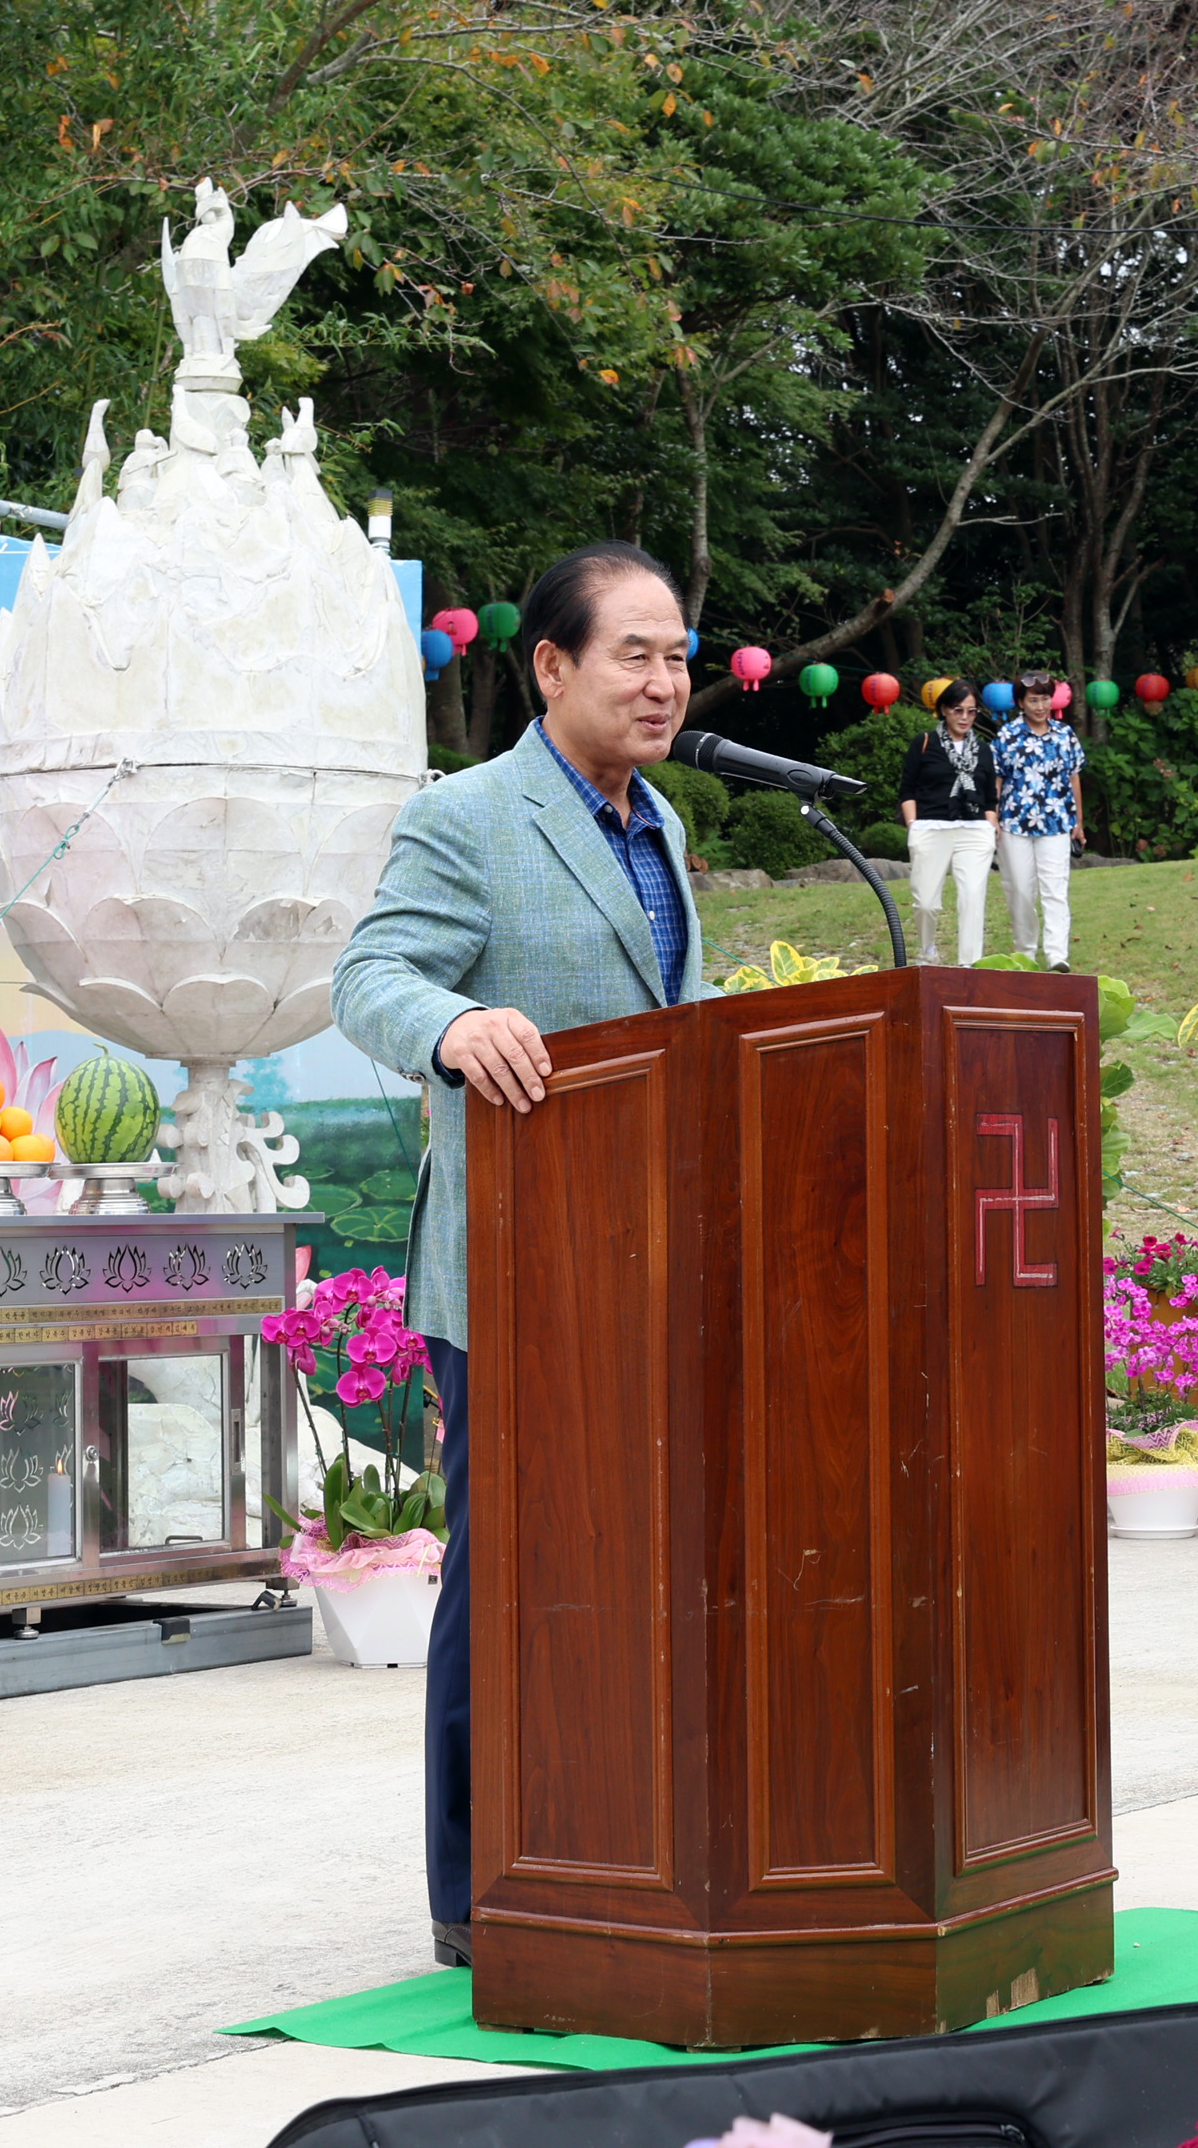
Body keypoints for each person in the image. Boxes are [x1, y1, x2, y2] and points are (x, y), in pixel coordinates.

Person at [330, 540, 706, 1971]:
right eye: (636, 652)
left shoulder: (657, 823)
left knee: (632, 1576)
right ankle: (472, 1897)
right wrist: (449, 1026)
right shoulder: (469, 818)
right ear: (551, 666)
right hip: (515, 1275)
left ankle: (610, 1846)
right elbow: (371, 974)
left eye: (677, 655)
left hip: (647, 1265)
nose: (665, 680)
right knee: (507, 1582)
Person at [992, 668, 1086, 968]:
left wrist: (1078, 822)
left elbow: (1074, 779)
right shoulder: (1007, 735)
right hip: (1014, 822)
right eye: (1033, 700)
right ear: (1021, 702)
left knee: (1055, 890)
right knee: (1019, 889)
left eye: (1045, 699)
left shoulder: (1065, 734)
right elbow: (997, 780)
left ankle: (1057, 955)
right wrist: (992, 817)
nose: (1040, 706)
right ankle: (1026, 950)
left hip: (1057, 823)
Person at [897, 680, 994, 965]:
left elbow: (990, 795)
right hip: (930, 828)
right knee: (925, 902)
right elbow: (907, 789)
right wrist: (913, 824)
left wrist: (990, 823)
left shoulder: (984, 750)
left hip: (974, 831)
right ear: (944, 710)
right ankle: (927, 949)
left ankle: (970, 965)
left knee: (973, 897)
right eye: (957, 710)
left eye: (971, 711)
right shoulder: (925, 742)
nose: (964, 717)